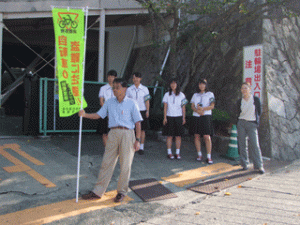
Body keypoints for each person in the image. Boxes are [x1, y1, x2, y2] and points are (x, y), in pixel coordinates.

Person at [79, 78, 143, 202]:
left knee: (125, 165)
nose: (114, 90)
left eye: (117, 87)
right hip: (113, 133)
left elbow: (138, 123)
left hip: (128, 134)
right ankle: (98, 192)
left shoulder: (132, 103)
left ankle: (121, 192)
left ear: (124, 89)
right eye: (113, 87)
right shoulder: (109, 102)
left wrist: (138, 140)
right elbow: (98, 115)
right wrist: (85, 114)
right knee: (106, 162)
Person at [236, 82, 265, 174]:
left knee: (255, 144)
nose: (244, 90)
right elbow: (237, 112)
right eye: (242, 88)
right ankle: (244, 164)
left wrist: (256, 122)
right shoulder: (240, 101)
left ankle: (259, 165)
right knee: (242, 144)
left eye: (246, 88)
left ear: (250, 89)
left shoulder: (255, 99)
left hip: (252, 123)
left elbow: (259, 111)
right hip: (241, 123)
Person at [189, 79, 215, 164]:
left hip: (206, 116)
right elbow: (192, 106)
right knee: (197, 136)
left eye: (203, 84)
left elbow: (212, 106)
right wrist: (197, 111)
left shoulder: (210, 94)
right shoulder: (195, 95)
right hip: (196, 116)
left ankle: (209, 156)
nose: (201, 86)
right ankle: (199, 154)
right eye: (200, 84)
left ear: (206, 85)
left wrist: (203, 109)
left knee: (207, 136)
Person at [126, 72, 151, 155]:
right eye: (134, 78)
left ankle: (141, 146)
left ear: (140, 79)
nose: (135, 79)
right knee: (132, 129)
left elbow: (147, 101)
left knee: (142, 129)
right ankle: (132, 146)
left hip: (142, 110)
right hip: (132, 111)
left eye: (137, 78)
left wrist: (147, 110)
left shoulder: (145, 89)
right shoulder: (129, 89)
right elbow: (127, 101)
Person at [162, 79, 187, 160]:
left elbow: (183, 107)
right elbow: (165, 107)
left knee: (178, 136)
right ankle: (169, 152)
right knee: (169, 135)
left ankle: (177, 153)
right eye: (171, 83)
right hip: (169, 116)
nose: (173, 85)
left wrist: (184, 117)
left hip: (179, 117)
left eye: (174, 83)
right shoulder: (166, 94)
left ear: (177, 84)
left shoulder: (182, 95)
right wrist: (165, 117)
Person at [97, 70, 117, 147]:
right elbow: (101, 102)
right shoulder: (103, 88)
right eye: (109, 76)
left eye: (112, 77)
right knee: (104, 132)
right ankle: (107, 150)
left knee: (115, 132)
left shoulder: (118, 88)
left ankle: (114, 149)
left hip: (116, 113)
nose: (111, 78)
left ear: (115, 78)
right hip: (105, 113)